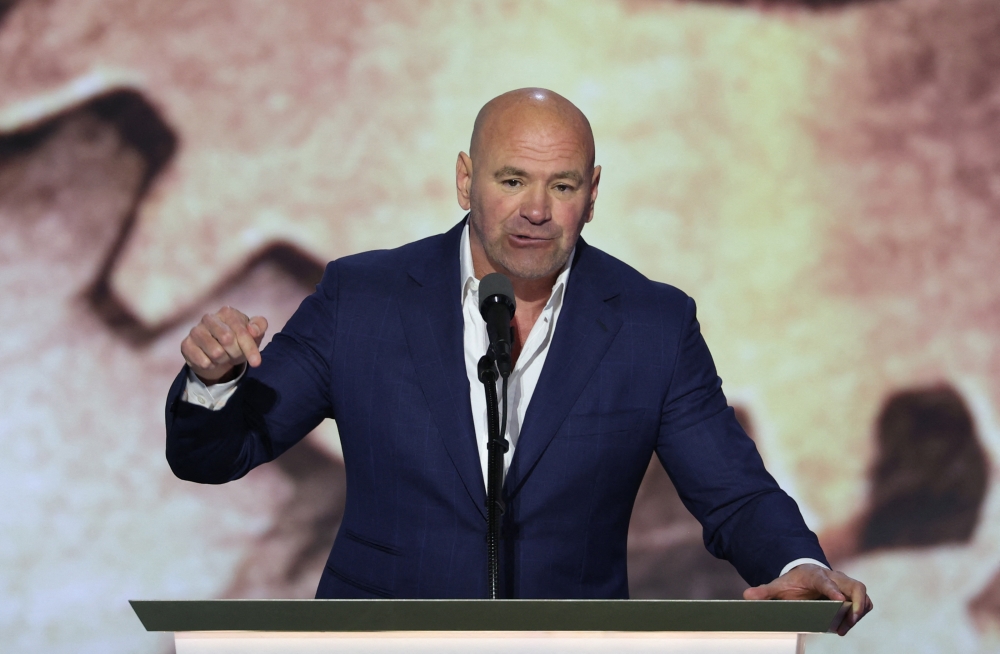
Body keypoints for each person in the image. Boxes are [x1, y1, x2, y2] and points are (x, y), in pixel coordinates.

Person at [166, 88, 871, 633]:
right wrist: (213, 380)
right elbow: (218, 452)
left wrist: (798, 566)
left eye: (561, 186)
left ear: (592, 195)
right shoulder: (364, 297)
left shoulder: (653, 324)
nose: (535, 209)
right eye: (511, 180)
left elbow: (735, 494)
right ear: (465, 179)